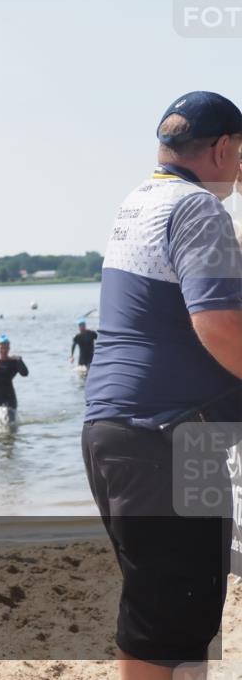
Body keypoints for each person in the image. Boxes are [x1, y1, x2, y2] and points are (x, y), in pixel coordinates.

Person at [83, 91, 242, 677]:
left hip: (118, 430)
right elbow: (220, 323)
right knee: (167, 621)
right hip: (168, 437)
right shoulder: (197, 209)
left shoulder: (144, 200)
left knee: (173, 616)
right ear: (224, 148)